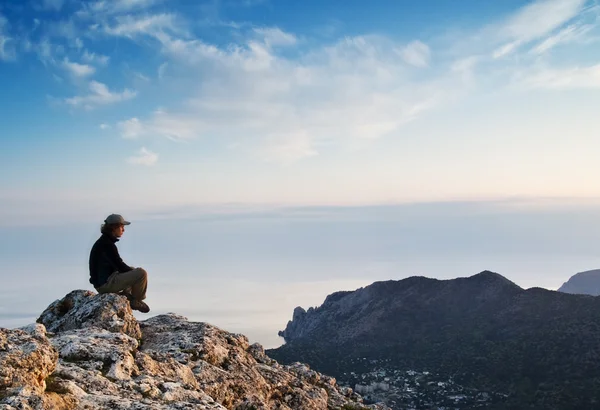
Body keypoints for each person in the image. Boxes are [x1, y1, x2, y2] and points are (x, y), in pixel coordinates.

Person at [89, 214, 150, 313]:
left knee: (133, 270)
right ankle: (136, 301)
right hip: (106, 284)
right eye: (122, 227)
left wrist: (132, 271)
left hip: (102, 282)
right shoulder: (107, 245)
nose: (123, 230)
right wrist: (135, 272)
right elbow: (120, 266)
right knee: (141, 273)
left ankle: (127, 296)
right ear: (114, 227)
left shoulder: (103, 242)